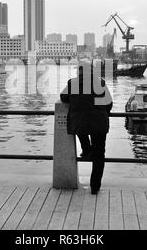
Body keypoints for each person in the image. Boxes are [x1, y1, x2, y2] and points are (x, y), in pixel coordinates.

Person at [60, 61, 113, 195]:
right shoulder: (100, 83)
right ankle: (94, 187)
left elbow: (63, 97)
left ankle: (86, 149)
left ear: (79, 72)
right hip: (99, 122)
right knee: (99, 154)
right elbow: (109, 103)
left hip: (80, 123)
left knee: (79, 128)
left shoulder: (73, 83)